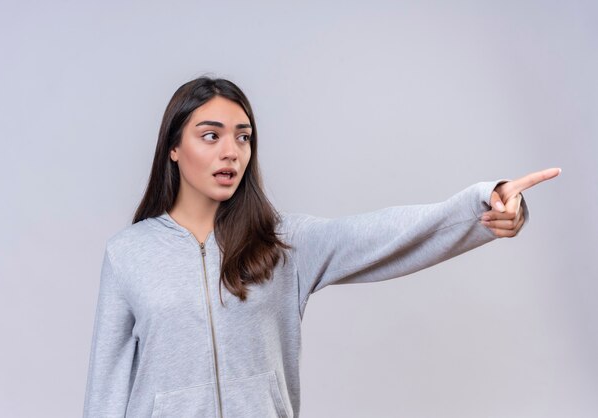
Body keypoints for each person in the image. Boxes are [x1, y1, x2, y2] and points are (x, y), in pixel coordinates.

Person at [82, 76, 560, 418]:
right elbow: (106, 388)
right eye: (211, 136)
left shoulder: (283, 243)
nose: (231, 151)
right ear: (173, 147)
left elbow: (387, 234)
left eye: (243, 138)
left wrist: (483, 204)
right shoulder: (129, 254)